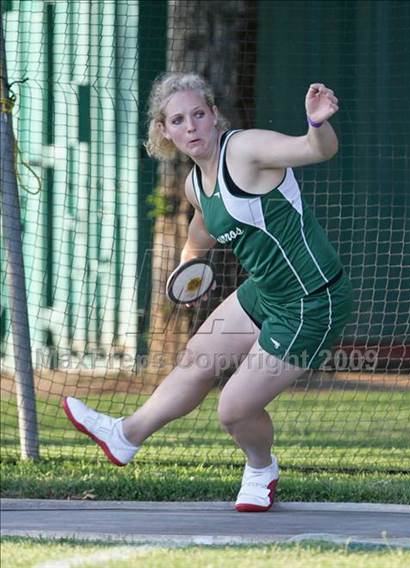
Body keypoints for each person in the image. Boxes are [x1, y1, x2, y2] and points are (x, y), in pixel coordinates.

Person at [63, 72, 353, 512]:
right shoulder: (195, 184)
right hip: (266, 292)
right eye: (178, 120)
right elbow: (200, 238)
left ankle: (261, 469)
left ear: (215, 115)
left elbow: (316, 150)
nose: (191, 126)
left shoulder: (245, 149)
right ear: (164, 131)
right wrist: (189, 273)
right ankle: (124, 436)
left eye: (199, 114)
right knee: (197, 360)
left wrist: (317, 123)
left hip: (313, 300)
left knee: (234, 410)